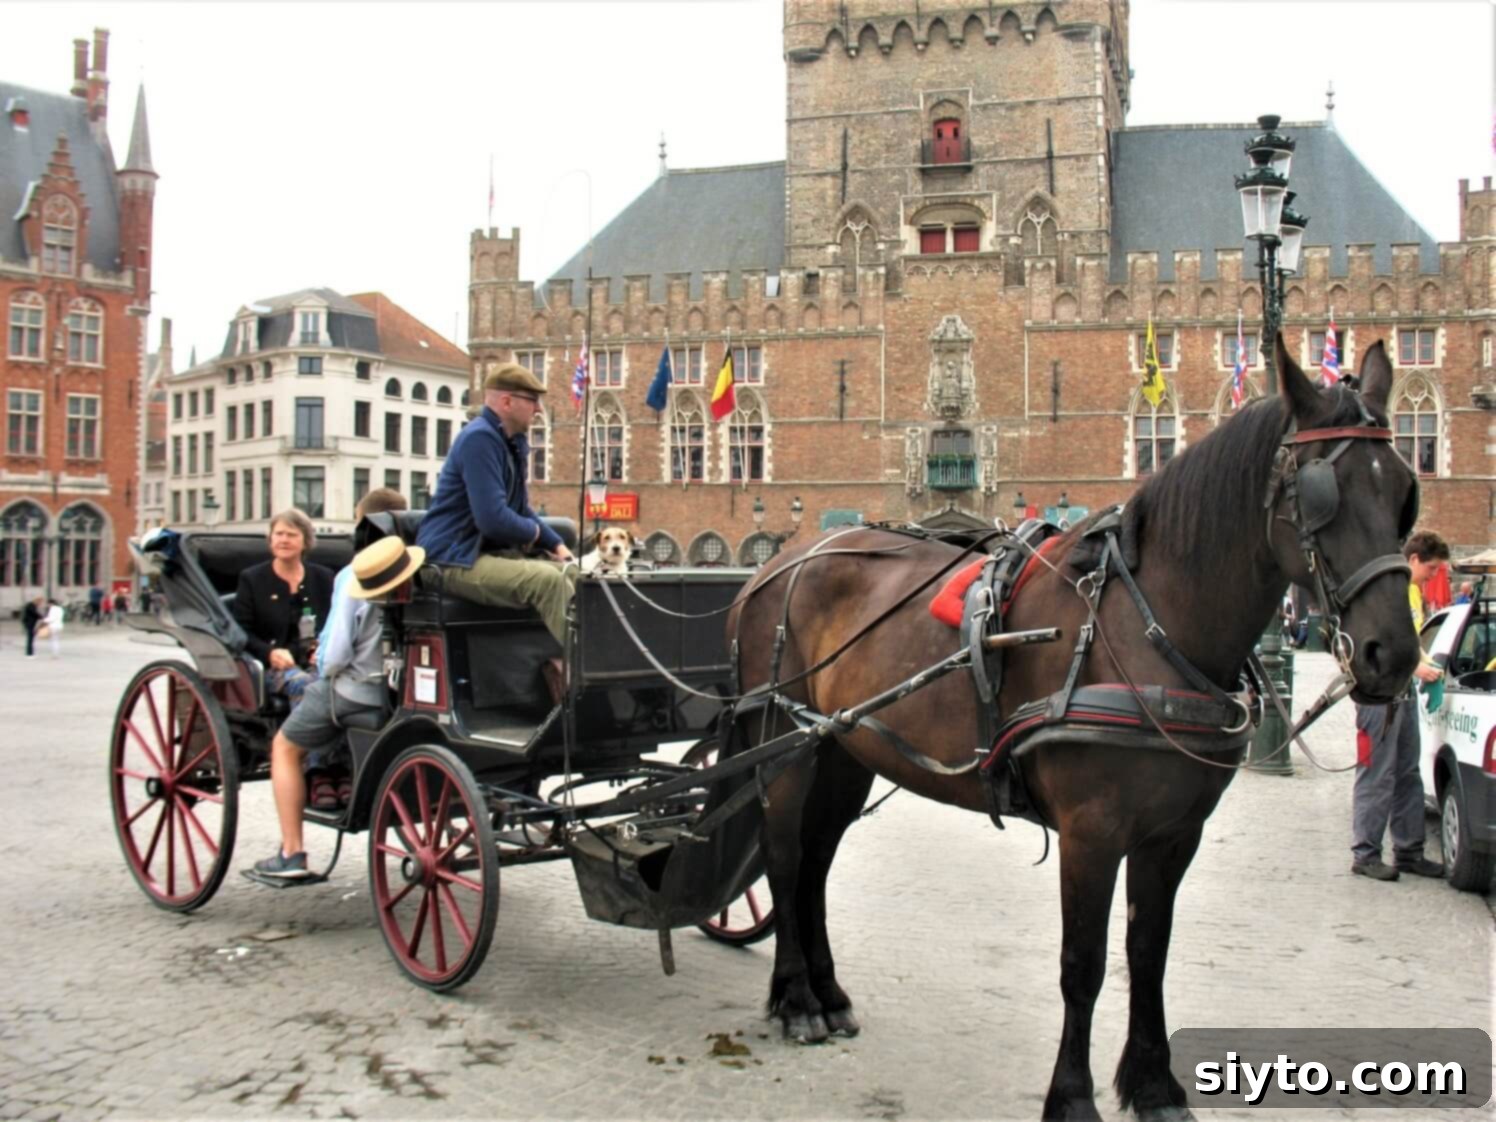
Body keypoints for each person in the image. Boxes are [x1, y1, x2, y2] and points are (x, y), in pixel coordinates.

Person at [254, 504, 419, 879]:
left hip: (356, 692)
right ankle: (337, 775)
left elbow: (334, 659)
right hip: (404, 697)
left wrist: (318, 661)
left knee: (283, 746)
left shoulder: (354, 577)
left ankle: (292, 852)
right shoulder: (418, 574)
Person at [416, 363, 576, 647]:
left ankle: (595, 661)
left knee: (575, 574)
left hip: (477, 553)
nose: (538, 409)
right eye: (532, 400)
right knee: (547, 581)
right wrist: (536, 535)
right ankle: (588, 668)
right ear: (506, 402)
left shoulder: (510, 441)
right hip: (452, 557)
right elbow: (492, 518)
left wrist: (558, 547)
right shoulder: (480, 439)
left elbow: (519, 508)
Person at [1350, 529, 1451, 882]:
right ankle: (1365, 853)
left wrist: (1425, 663)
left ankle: (1409, 851)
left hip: (1402, 693)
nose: (1435, 575)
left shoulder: (1413, 593)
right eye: (1433, 568)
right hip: (1377, 695)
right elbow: (1381, 640)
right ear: (1413, 560)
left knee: (1408, 772)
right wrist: (1414, 665)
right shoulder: (1388, 591)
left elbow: (1410, 641)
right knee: (1378, 773)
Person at [231, 509, 334, 705]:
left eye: (292, 535)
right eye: (279, 534)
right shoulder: (252, 578)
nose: (284, 540)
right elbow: (240, 631)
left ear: (306, 541)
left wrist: (323, 648)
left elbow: (333, 622)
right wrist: (269, 653)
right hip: (273, 667)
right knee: (304, 685)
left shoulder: (323, 577)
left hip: (317, 661)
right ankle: (300, 736)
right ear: (270, 539)